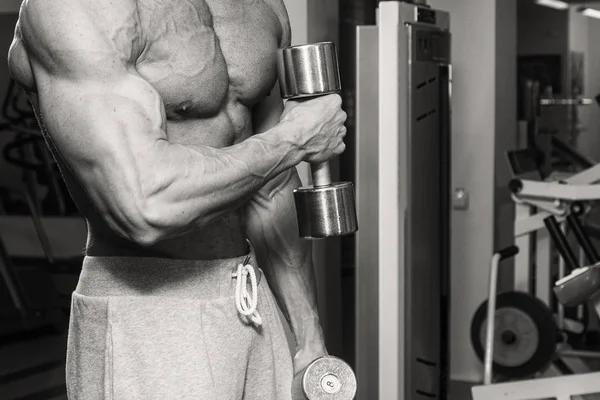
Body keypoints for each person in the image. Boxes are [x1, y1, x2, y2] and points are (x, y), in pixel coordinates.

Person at [7, 0, 347, 398]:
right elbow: (144, 206)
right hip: (149, 312)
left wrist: (309, 341)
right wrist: (293, 140)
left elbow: (271, 187)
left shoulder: (265, 6)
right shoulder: (79, 8)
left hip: (251, 301)